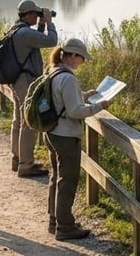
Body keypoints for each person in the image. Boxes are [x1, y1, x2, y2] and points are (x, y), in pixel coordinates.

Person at [43, 38, 110, 240]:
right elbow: (74, 111)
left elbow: (62, 98)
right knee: (67, 181)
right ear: (72, 56)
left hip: (52, 132)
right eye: (81, 58)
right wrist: (100, 106)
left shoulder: (53, 71)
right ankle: (65, 227)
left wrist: (84, 95)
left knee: (56, 177)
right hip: (65, 135)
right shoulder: (68, 78)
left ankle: (55, 220)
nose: (83, 62)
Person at [7, 0, 59, 177]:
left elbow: (36, 42)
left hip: (16, 79)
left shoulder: (16, 30)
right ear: (28, 14)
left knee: (18, 119)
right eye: (35, 14)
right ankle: (26, 164)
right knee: (28, 122)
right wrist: (50, 23)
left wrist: (42, 24)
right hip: (26, 81)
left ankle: (17, 158)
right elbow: (52, 41)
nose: (37, 17)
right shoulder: (24, 34)